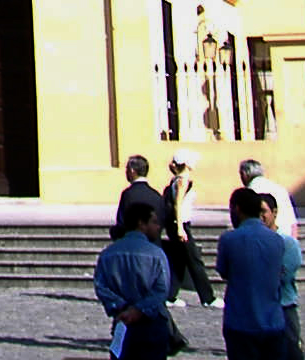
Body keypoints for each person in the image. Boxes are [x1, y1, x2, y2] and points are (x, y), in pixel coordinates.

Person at [215, 185, 291, 359]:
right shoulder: (277, 240)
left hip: (240, 321)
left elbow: (224, 272)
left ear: (237, 209)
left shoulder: (229, 239)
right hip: (272, 320)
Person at [93, 200, 175, 359]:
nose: (158, 227)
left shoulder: (108, 254)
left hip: (122, 322)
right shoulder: (156, 254)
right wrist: (139, 310)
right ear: (141, 223)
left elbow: (100, 286)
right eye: (154, 222)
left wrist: (123, 307)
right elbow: (161, 290)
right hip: (152, 326)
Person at [162, 150, 216, 307]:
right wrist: (180, 228)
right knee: (194, 261)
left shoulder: (176, 179)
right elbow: (178, 203)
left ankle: (170, 295)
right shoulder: (183, 180)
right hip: (181, 224)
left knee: (179, 261)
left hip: (177, 224)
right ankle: (208, 297)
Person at [257, 193, 305, 360]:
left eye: (264, 211)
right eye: (256, 212)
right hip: (259, 310)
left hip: (284, 307)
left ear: (274, 212)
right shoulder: (252, 243)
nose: (260, 216)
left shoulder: (287, 243)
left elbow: (284, 275)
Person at [238, 159, 297, 239]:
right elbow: (293, 223)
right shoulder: (280, 189)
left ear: (244, 174)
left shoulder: (249, 193)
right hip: (286, 238)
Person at [114, 154, 164, 236]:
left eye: (127, 169)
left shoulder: (128, 194)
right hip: (154, 244)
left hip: (133, 244)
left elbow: (121, 222)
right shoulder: (157, 195)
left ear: (132, 170)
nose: (126, 172)